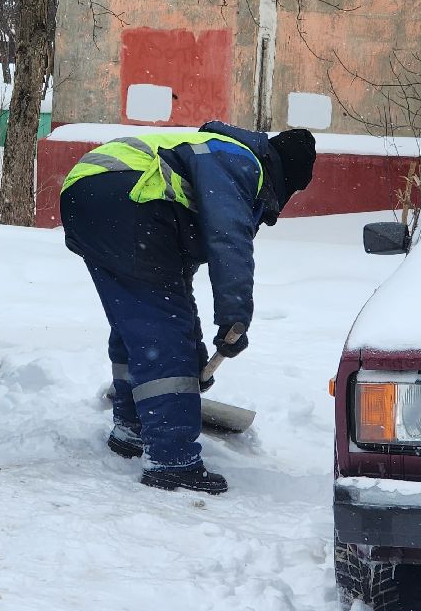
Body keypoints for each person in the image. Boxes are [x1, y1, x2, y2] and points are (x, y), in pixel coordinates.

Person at [60, 122, 317, 494]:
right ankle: (172, 459)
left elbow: (176, 290)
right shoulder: (242, 162)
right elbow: (229, 240)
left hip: (90, 196)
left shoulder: (208, 152)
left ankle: (131, 429)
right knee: (162, 333)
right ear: (283, 175)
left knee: (140, 319)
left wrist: (197, 353)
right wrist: (235, 317)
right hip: (125, 199)